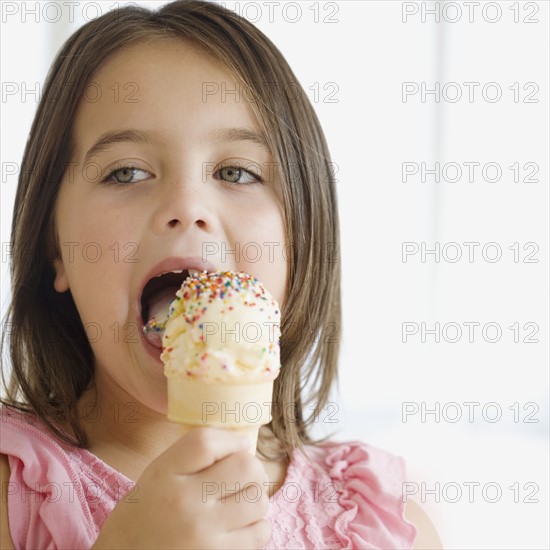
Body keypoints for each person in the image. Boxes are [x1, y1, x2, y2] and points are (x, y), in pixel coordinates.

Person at [0, 1, 441, 548]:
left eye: (236, 171)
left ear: (301, 242)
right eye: (127, 171)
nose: (187, 205)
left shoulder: (384, 518)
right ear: (55, 249)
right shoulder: (15, 493)